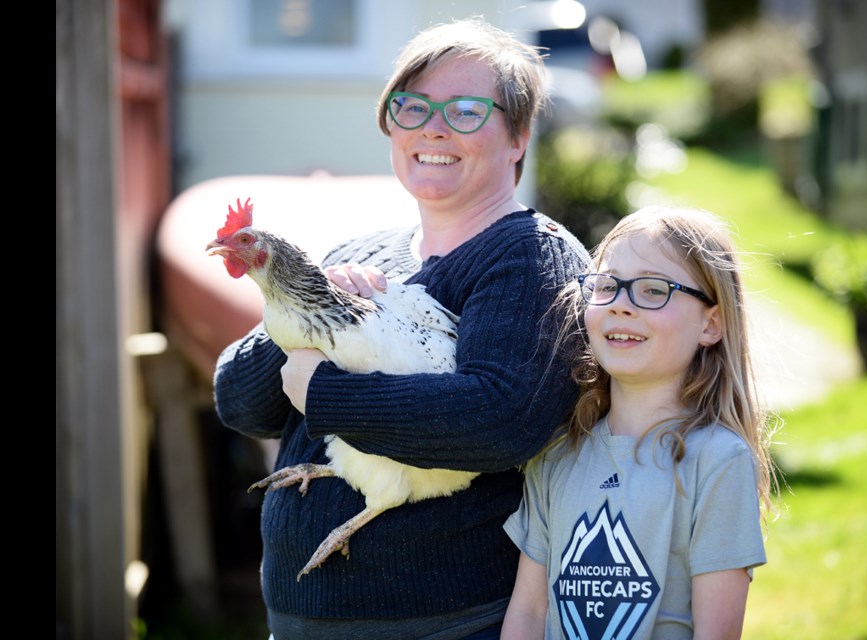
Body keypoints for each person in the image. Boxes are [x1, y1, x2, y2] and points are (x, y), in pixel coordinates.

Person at [212, 17, 590, 640]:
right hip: (301, 617)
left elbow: (498, 419)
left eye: (466, 111)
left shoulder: (528, 258)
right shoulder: (363, 252)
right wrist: (304, 300)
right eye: (411, 107)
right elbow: (240, 403)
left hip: (442, 621)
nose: (433, 128)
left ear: (519, 136)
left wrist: (324, 393)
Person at [501, 205, 779, 639]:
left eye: (653, 290)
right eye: (608, 286)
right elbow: (529, 612)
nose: (622, 306)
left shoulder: (718, 460)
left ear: (711, 324)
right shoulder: (556, 454)